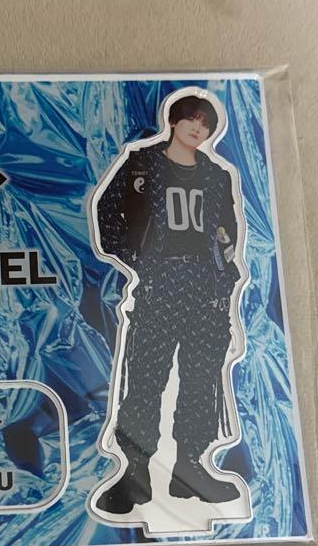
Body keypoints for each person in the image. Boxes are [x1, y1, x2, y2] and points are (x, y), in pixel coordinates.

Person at [94, 93, 243, 515]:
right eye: (192, 119)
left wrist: (222, 274)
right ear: (174, 121)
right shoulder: (142, 164)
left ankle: (189, 469)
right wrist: (137, 257)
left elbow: (228, 230)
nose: (198, 128)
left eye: (205, 124)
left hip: (206, 287)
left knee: (201, 380)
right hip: (159, 283)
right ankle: (135, 472)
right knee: (145, 378)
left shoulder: (216, 176)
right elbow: (107, 213)